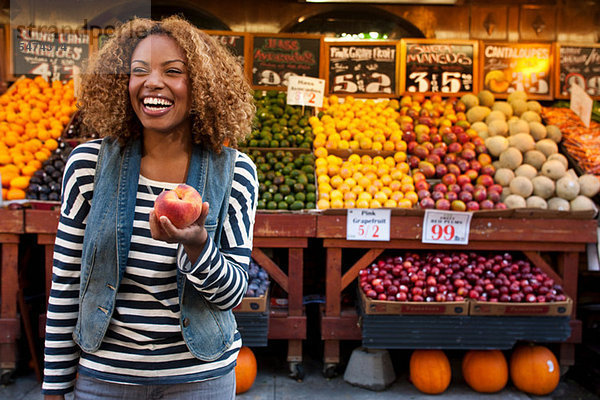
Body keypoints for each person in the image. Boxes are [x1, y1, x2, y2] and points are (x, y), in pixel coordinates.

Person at [42, 16, 257, 400]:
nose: (152, 82)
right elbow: (66, 285)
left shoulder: (235, 171)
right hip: (104, 380)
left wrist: (198, 247)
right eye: (138, 71)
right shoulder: (88, 166)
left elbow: (233, 295)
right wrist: (55, 386)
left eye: (173, 71)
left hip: (200, 380)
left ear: (203, 87)